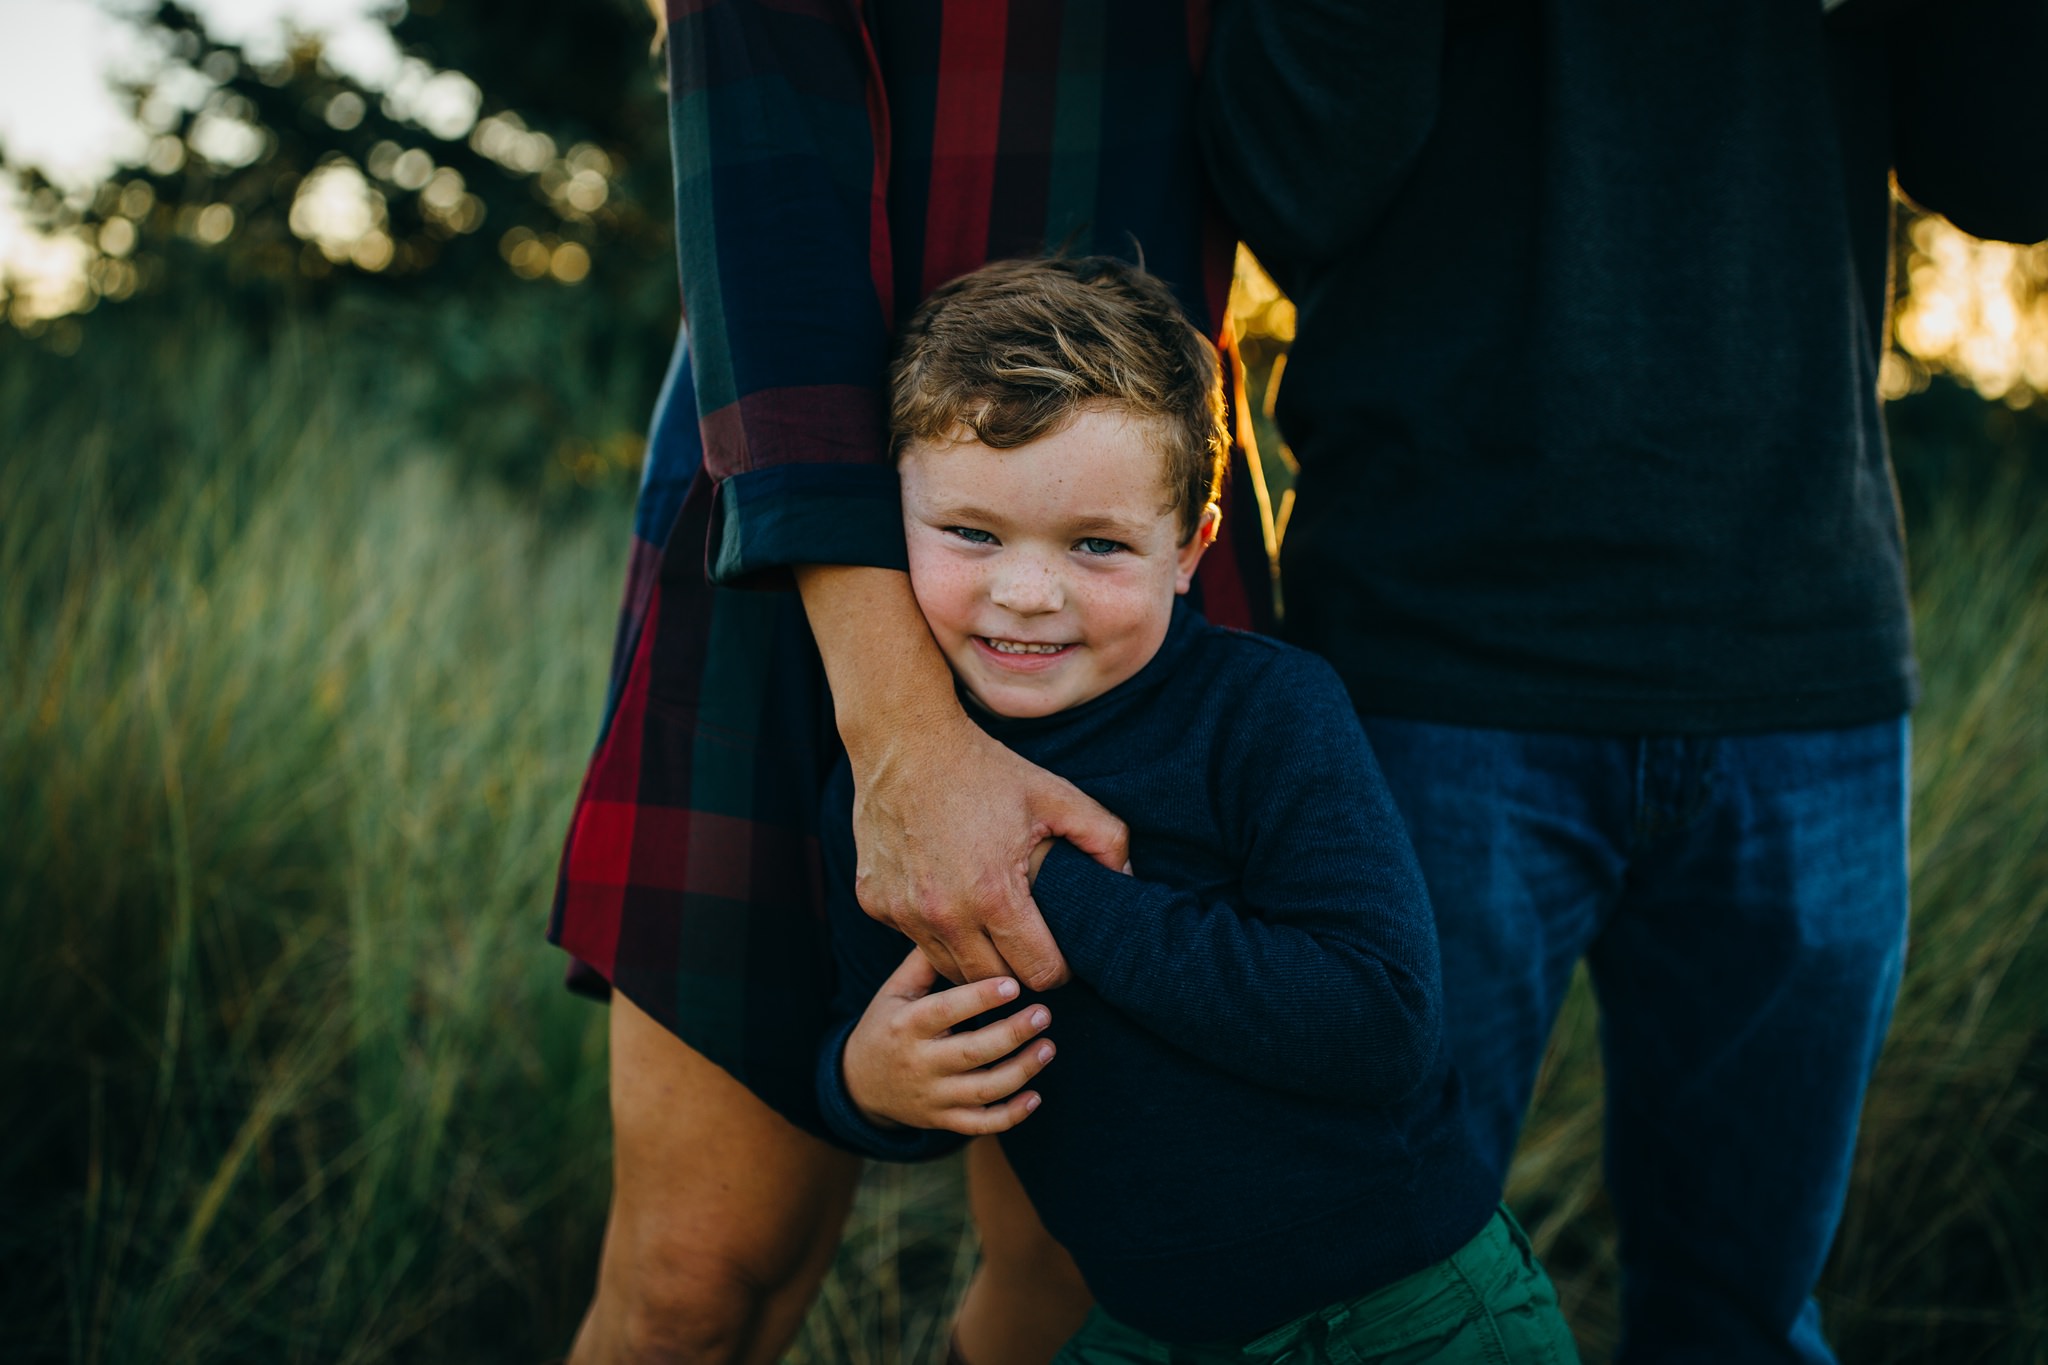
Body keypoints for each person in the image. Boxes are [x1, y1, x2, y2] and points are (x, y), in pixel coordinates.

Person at [1194, 2, 2048, 1362]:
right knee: (1371, 1316)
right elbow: (1286, 176)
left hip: (1797, 667)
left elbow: (2013, 166)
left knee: (1746, 1327)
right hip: (1434, 664)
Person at [549, 4, 1273, 1362]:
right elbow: (769, 250)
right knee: (700, 1285)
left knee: (1095, 1277)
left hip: (1129, 581)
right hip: (798, 557)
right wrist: (904, 745)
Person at [817, 253, 1579, 1364]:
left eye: (1096, 546)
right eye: (971, 534)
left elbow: (1374, 1021)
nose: (1026, 592)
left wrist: (1038, 877)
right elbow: (873, 1020)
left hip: (1407, 1314)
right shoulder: (889, 783)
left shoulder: (1264, 711)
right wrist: (866, 1084)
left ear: (1190, 551)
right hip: (1147, 1335)